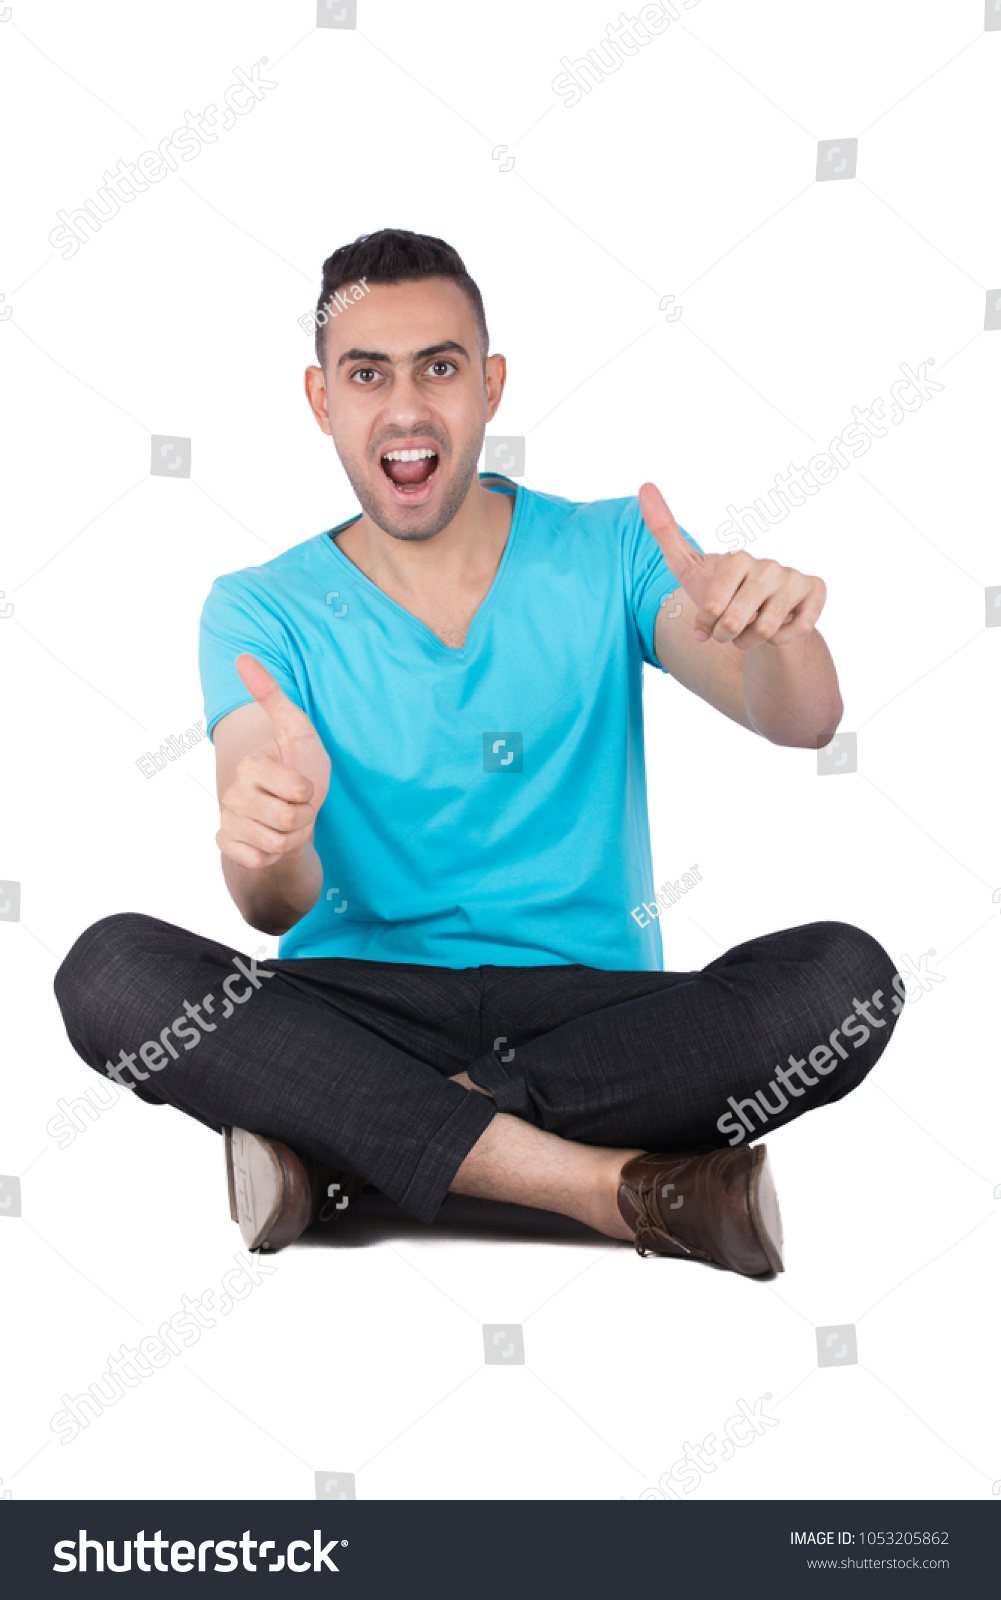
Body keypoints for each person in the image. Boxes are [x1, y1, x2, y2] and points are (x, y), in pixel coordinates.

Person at [54, 228, 901, 1277]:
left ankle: (337, 1157)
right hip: (357, 1008)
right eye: (367, 375)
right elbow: (268, 905)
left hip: (592, 1015)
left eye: (438, 368)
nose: (405, 408)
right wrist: (270, 833)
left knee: (847, 984)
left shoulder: (611, 549)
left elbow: (800, 719)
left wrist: (780, 640)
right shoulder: (258, 609)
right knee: (108, 973)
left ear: (489, 387)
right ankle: (611, 1188)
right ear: (322, 402)